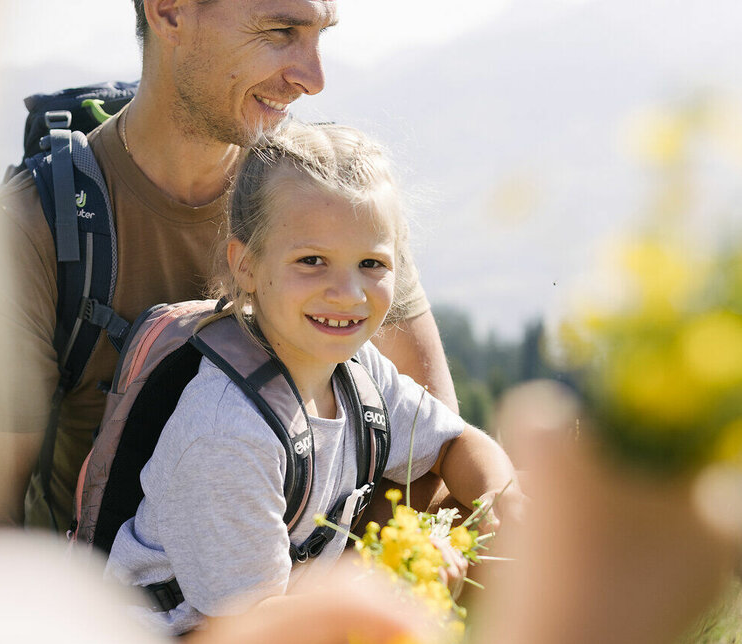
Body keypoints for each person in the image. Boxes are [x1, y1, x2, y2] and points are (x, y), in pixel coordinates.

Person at [0, 0, 458, 533]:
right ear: (169, 13)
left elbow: (437, 454)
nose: (313, 79)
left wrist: (334, 584)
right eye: (280, 31)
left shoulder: (328, 197)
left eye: (321, 35)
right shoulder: (31, 227)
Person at [103, 122, 522, 636]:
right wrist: (389, 588)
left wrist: (500, 503)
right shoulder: (228, 433)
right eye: (312, 261)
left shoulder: (361, 375)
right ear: (247, 266)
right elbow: (249, 628)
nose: (346, 293)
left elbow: (458, 444)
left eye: (371, 263)